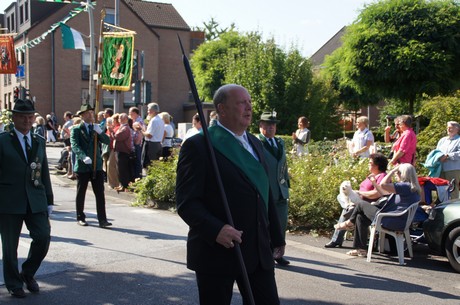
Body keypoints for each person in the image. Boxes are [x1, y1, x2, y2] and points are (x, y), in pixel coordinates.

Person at [176, 84, 285, 305]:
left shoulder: (255, 142)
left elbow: (263, 192)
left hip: (257, 251)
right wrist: (216, 229)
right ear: (222, 109)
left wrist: (276, 236)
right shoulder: (199, 145)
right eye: (241, 103)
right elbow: (187, 202)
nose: (249, 108)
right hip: (217, 251)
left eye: (250, 102)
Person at [0, 99, 54, 298]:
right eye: (22, 116)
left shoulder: (39, 140)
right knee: (9, 246)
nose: (27, 120)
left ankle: (28, 273)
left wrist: (49, 199)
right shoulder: (3, 140)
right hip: (9, 200)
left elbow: (44, 172)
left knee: (43, 237)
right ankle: (14, 283)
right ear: (14, 118)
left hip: (35, 198)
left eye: (30, 116)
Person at [334, 163, 421, 256]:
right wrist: (374, 182)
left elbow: (383, 184)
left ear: (403, 174)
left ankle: (349, 223)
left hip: (389, 220)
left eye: (397, 172)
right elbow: (384, 192)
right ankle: (360, 249)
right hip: (397, 220)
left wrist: (391, 171)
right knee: (360, 217)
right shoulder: (411, 188)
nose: (396, 174)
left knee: (361, 204)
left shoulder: (404, 186)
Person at [325, 153, 388, 248]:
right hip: (359, 200)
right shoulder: (372, 175)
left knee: (348, 208)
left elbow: (376, 194)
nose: (368, 164)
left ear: (377, 165)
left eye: (370, 163)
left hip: (367, 204)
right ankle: (348, 206)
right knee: (341, 196)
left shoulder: (382, 176)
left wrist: (359, 192)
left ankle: (336, 239)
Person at [70, 104, 112, 228]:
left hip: (96, 165)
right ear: (82, 116)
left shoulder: (96, 128)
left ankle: (102, 219)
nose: (91, 115)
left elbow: (107, 142)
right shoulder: (77, 129)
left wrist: (101, 133)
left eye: (92, 113)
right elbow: (75, 145)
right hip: (83, 166)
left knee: (100, 193)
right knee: (81, 192)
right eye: (88, 113)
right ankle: (80, 217)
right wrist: (83, 157)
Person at [258, 110, 291, 266]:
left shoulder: (280, 142)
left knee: (281, 222)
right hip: (266, 190)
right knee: (266, 223)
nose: (271, 128)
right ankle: (266, 252)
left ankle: (278, 252)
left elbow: (283, 165)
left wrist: (287, 184)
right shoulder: (257, 142)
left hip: (281, 190)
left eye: (273, 125)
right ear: (261, 126)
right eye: (267, 125)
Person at [436, 121, 460, 199]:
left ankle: (453, 207)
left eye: (451, 128)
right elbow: (437, 152)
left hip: (453, 169)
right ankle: (442, 206)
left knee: (453, 188)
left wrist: (448, 156)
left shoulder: (459, 140)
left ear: (457, 129)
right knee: (441, 188)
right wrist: (439, 157)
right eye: (448, 127)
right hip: (440, 168)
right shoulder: (442, 140)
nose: (448, 129)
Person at [111, 113, 133, 192]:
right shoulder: (121, 127)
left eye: (121, 118)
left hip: (123, 151)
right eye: (119, 118)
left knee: (123, 169)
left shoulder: (125, 128)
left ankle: (125, 185)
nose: (119, 119)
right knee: (119, 169)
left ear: (126, 119)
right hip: (119, 150)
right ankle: (121, 185)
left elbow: (119, 137)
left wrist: (112, 132)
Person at [141, 102, 164, 168]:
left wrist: (140, 130)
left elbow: (149, 135)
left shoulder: (153, 120)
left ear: (152, 111)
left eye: (148, 110)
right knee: (156, 165)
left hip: (151, 145)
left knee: (149, 165)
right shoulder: (160, 120)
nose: (148, 112)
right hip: (158, 144)